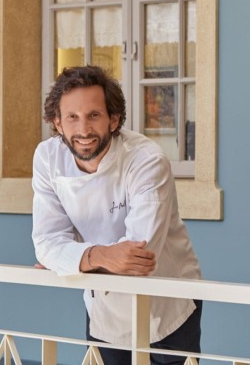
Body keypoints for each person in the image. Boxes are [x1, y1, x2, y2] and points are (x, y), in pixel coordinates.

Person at [32, 65, 202, 365]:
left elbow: (140, 254)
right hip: (103, 309)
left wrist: (69, 261)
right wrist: (99, 256)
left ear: (114, 119)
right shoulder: (47, 158)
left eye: (94, 115)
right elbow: (45, 242)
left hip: (167, 304)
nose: (83, 130)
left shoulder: (147, 161)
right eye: (72, 117)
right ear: (57, 122)